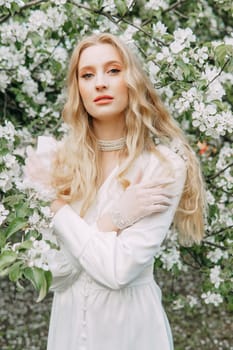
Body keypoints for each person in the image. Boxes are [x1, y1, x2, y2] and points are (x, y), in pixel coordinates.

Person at [25, 33, 206, 350]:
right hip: (67, 326)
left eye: (113, 70)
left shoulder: (163, 167)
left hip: (129, 329)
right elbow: (53, 272)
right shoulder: (55, 162)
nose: (100, 83)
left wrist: (60, 214)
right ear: (78, 88)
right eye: (87, 74)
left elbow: (118, 271)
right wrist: (113, 220)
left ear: (132, 80)